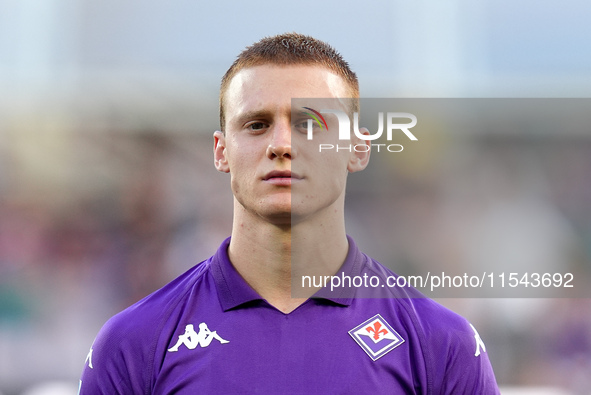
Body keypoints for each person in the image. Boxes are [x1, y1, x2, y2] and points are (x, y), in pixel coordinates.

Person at [79, 33, 500, 394]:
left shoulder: (440, 343)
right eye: (257, 124)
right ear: (221, 151)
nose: (282, 144)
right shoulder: (135, 341)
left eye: (310, 124)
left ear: (358, 149)